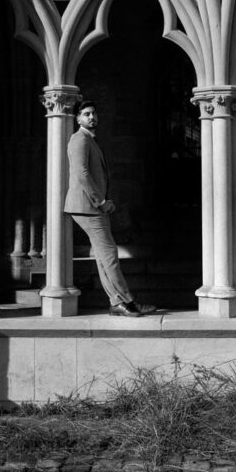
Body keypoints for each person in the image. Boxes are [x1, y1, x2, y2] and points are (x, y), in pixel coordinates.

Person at [64, 99, 157, 317]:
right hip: (88, 207)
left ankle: (118, 303)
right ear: (77, 118)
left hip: (89, 207)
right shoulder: (79, 140)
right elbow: (82, 174)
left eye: (94, 113)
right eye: (86, 114)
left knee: (104, 257)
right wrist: (101, 201)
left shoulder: (89, 140)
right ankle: (129, 302)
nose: (91, 117)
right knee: (109, 256)